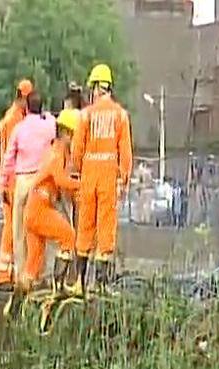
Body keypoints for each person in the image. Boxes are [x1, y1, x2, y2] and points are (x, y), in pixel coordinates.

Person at [6, 110, 82, 316]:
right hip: (39, 208)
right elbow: (60, 180)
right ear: (66, 133)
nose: (74, 139)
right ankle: (59, 287)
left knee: (33, 266)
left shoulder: (53, 151)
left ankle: (14, 306)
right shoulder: (56, 154)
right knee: (69, 236)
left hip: (34, 209)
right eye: (73, 134)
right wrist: (82, 184)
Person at [72, 64, 133, 293]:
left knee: (85, 227)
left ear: (97, 87)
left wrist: (78, 171)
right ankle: (100, 285)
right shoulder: (120, 115)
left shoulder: (86, 114)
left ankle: (79, 282)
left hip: (89, 174)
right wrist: (123, 178)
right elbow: (125, 152)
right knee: (106, 228)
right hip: (108, 175)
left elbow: (77, 148)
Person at [0, 91, 56, 285]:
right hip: (41, 181)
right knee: (41, 229)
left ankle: (22, 274)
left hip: (22, 181)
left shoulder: (19, 129)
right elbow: (53, 122)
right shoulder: (49, 125)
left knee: (19, 230)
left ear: (27, 108)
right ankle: (39, 273)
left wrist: (2, 184)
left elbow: (8, 159)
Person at [0, 79, 33, 287]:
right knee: (12, 227)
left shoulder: (10, 116)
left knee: (14, 226)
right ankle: (4, 274)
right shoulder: (16, 119)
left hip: (8, 179)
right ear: (23, 97)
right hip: (12, 180)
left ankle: (9, 271)